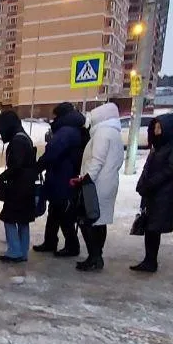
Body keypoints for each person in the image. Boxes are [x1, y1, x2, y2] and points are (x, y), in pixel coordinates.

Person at [72, 102, 125, 273]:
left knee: (89, 220)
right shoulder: (114, 133)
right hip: (106, 182)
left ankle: (94, 257)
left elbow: (97, 160)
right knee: (99, 221)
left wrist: (85, 179)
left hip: (96, 185)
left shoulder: (103, 133)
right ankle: (96, 256)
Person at [131, 113, 173, 273]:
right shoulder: (157, 146)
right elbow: (148, 168)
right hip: (152, 193)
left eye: (159, 127)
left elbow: (170, 169)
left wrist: (150, 184)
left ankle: (151, 261)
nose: (156, 130)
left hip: (165, 194)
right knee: (150, 227)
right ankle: (149, 260)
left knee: (154, 227)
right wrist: (142, 184)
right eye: (155, 127)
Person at [34, 102, 87, 257]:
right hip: (62, 176)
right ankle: (50, 241)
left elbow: (52, 152)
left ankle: (72, 246)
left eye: (55, 115)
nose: (53, 119)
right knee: (55, 211)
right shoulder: (73, 129)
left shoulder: (66, 132)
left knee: (64, 213)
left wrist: (37, 167)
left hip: (63, 177)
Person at [0, 110, 38, 263]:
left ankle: (14, 251)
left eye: (1, 130)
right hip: (26, 187)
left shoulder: (17, 141)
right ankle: (22, 251)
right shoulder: (24, 137)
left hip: (19, 188)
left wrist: (3, 177)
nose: (0, 134)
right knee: (22, 220)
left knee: (9, 219)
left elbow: (16, 166)